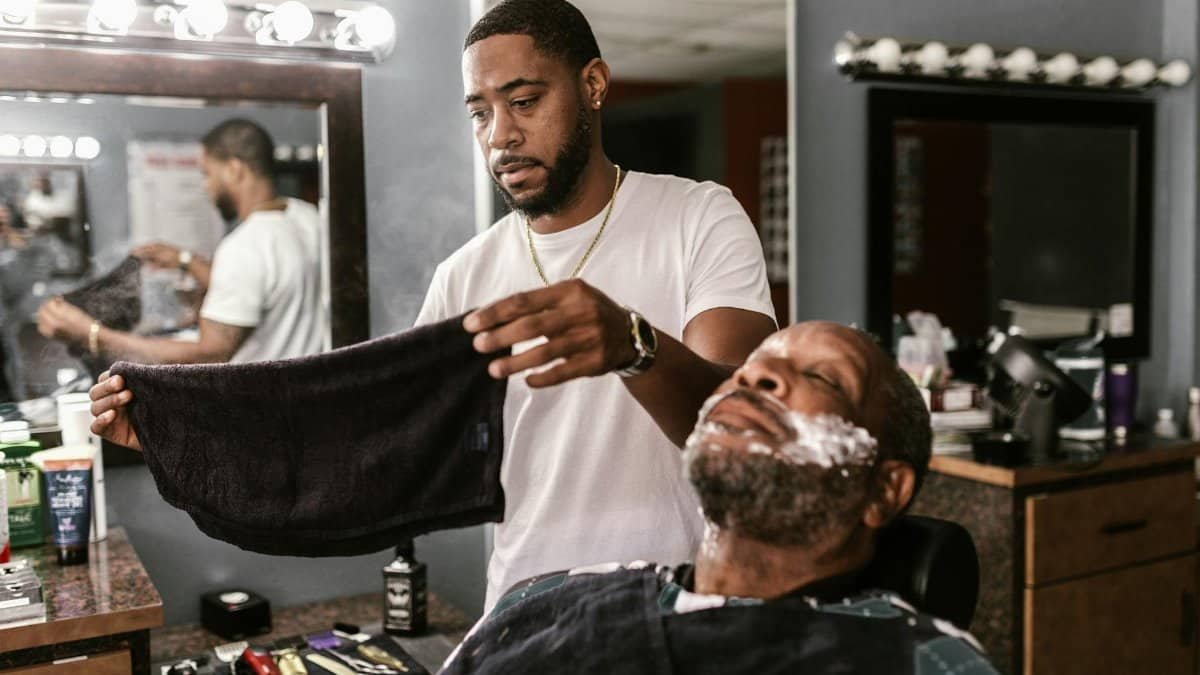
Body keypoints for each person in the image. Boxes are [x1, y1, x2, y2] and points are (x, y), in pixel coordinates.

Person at [90, 0, 777, 610]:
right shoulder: (465, 276)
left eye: (525, 100)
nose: (500, 134)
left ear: (592, 86)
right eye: (480, 111)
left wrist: (633, 344)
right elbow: (368, 456)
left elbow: (742, 437)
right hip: (528, 613)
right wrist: (174, 432)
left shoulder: (698, 217)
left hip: (686, 607)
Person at [439, 321, 999, 674]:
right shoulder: (540, 604)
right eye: (750, 369)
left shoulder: (921, 661)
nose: (758, 378)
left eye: (824, 379)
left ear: (884, 490)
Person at [36, 119, 326, 364]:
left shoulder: (246, 245)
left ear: (235, 169)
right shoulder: (306, 216)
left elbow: (210, 353)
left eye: (207, 173)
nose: (205, 186)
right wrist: (185, 261)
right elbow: (259, 284)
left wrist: (92, 334)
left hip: (266, 411)